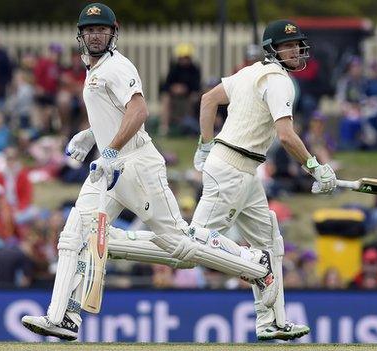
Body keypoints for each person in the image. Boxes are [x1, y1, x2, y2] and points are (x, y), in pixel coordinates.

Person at [21, 3, 276, 341]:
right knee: (73, 235)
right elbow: (112, 111)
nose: (95, 34)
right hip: (108, 170)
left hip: (136, 165)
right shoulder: (92, 68)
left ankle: (255, 265)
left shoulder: (118, 66)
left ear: (114, 32)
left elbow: (138, 110)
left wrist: (109, 149)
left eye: (102, 29)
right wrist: (89, 136)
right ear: (80, 35)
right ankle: (63, 317)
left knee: (178, 244)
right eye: (89, 30)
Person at [158, 19, 337, 340]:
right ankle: (116, 243)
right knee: (190, 245)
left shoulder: (249, 71)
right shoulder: (279, 81)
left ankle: (271, 321)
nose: (296, 50)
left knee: (269, 244)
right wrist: (316, 166)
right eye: (288, 45)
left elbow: (208, 99)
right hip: (232, 169)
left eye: (297, 44)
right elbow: (285, 136)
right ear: (273, 49)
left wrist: (205, 143)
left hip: (243, 170)